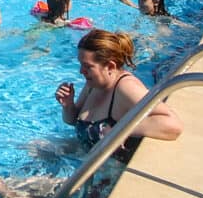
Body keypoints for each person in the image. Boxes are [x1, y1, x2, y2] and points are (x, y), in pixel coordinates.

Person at [54, 28, 183, 164]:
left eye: (87, 66)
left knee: (38, 184)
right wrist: (68, 105)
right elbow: (72, 121)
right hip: (87, 155)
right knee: (37, 147)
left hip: (110, 169)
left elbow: (173, 125)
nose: (81, 71)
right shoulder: (92, 84)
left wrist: (119, 130)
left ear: (110, 66)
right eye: (80, 64)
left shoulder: (126, 88)